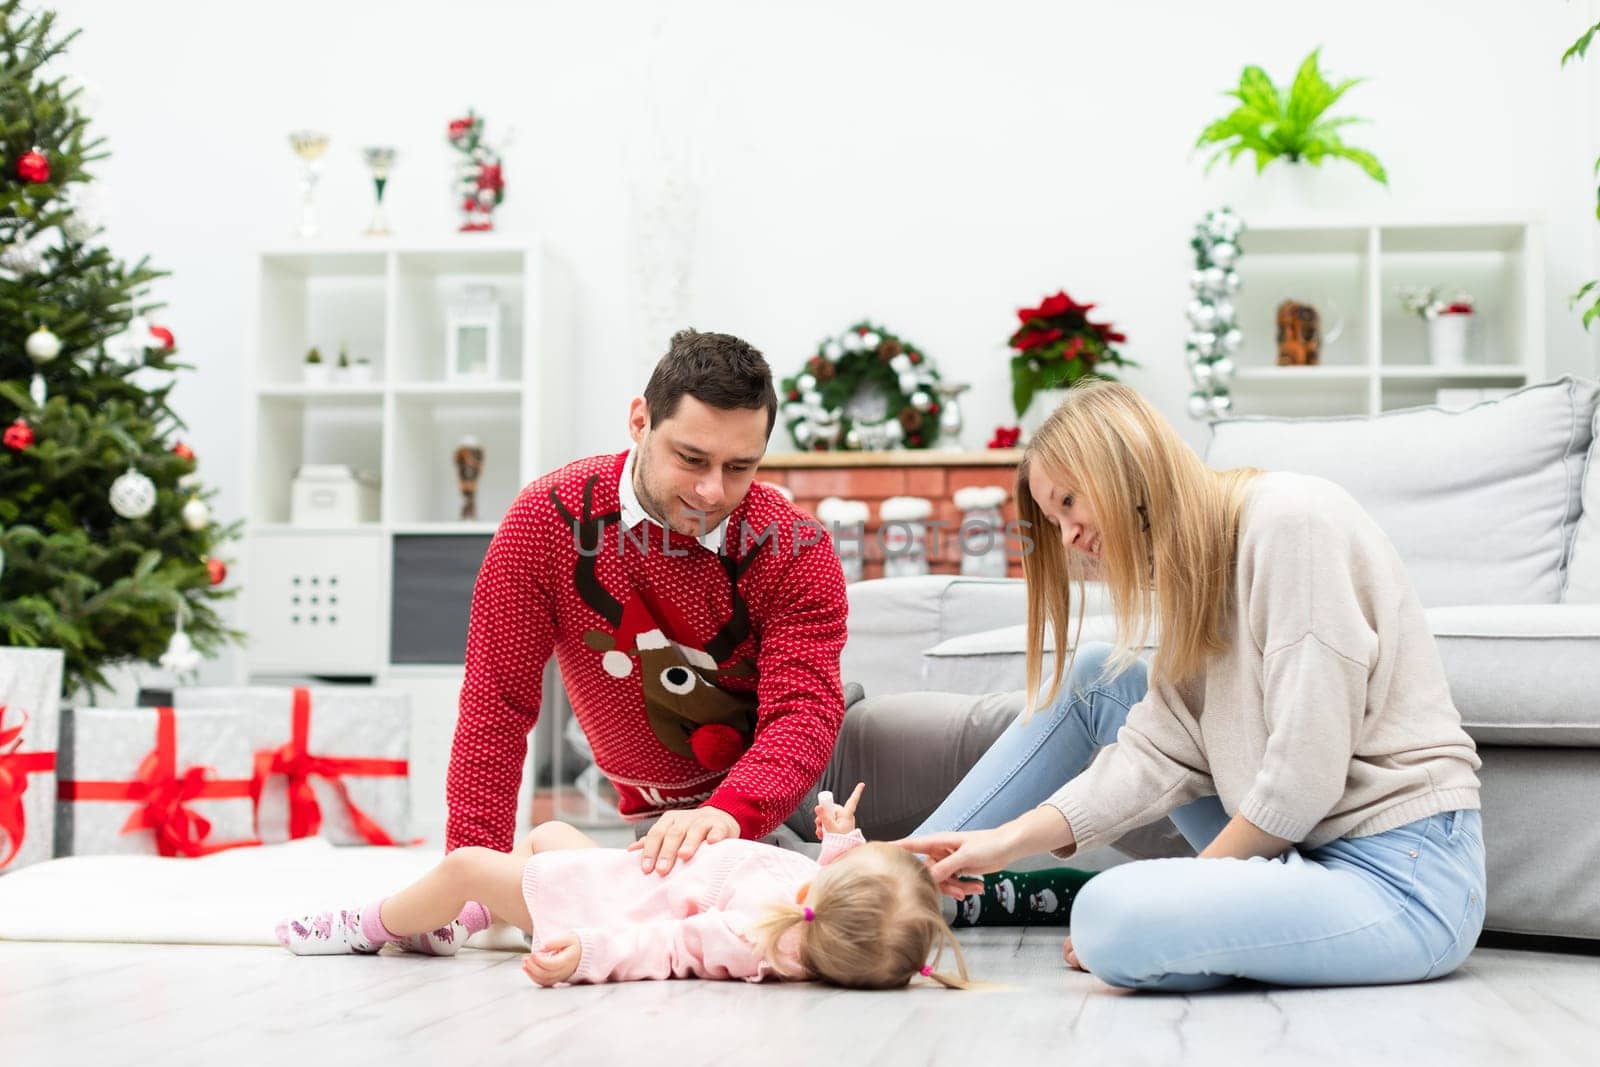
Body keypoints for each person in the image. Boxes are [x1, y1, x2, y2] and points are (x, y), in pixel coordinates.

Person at [896, 379, 1486, 991]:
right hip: (1300, 856)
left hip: (1402, 879)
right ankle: (894, 885)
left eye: (1069, 502)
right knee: (1101, 676)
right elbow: (1157, 752)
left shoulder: (1291, 523)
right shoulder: (1197, 573)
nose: (1067, 537)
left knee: (1113, 919)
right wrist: (1003, 842)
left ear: (1123, 465)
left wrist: (1186, 892)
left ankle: (928, 897)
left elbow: (1302, 780)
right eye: (1053, 519)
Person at [276, 784, 971, 990]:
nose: (852, 855)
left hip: (597, 905)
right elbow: (833, 876)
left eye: (856, 859)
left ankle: (366, 927)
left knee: (464, 861)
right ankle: (454, 922)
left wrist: (587, 953)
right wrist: (841, 833)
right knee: (546, 837)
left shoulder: (749, 937)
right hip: (618, 878)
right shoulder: (817, 905)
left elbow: (661, 946)